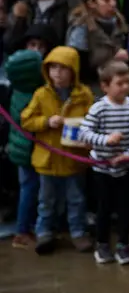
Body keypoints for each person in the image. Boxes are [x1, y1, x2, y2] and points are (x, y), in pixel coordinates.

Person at [22, 46, 94, 255]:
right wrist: (46, 121)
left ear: (73, 70)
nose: (57, 73)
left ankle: (78, 232)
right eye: (53, 68)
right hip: (48, 160)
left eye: (63, 68)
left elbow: (93, 120)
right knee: (46, 200)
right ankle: (44, 232)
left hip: (74, 159)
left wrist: (80, 127)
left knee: (76, 199)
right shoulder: (41, 94)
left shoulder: (84, 95)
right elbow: (26, 120)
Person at [78, 61, 129, 266]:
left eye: (128, 82)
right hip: (102, 169)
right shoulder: (99, 108)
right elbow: (84, 133)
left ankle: (124, 244)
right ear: (105, 86)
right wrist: (105, 140)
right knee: (104, 208)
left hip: (126, 167)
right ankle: (102, 244)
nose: (125, 87)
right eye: (120, 83)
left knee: (125, 207)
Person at [5, 48, 46, 249]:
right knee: (30, 189)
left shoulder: (18, 90)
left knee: (28, 188)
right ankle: (22, 231)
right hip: (29, 151)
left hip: (20, 149)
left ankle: (26, 227)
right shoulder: (33, 95)